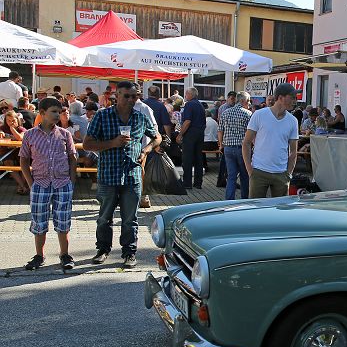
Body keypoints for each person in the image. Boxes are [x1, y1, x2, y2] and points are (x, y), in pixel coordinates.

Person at [83, 81, 160, 268]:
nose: (131, 99)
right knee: (104, 218)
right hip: (108, 175)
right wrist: (112, 143)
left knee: (130, 219)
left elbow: (157, 136)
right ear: (116, 96)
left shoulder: (140, 117)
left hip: (132, 174)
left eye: (134, 96)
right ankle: (103, 249)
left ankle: (129, 252)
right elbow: (87, 144)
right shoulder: (102, 116)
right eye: (127, 96)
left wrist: (147, 149)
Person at [18, 97, 78, 271]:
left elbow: (72, 159)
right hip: (40, 184)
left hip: (62, 184)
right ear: (42, 113)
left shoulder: (65, 134)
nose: (57, 115)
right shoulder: (30, 135)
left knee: (63, 222)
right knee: (39, 222)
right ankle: (39, 255)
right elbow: (23, 160)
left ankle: (64, 254)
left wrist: (71, 182)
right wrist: (31, 184)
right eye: (53, 111)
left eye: (59, 112)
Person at [243, 82, 300, 198]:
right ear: (280, 98)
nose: (295, 101)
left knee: (280, 212)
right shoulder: (259, 115)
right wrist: (250, 170)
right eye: (292, 98)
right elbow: (246, 143)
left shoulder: (293, 121)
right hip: (259, 171)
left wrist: (288, 174)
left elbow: (294, 152)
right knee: (256, 211)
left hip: (281, 174)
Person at [218, 91, 252, 200]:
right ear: (243, 101)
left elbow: (220, 131)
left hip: (228, 148)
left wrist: (221, 144)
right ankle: (244, 199)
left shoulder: (225, 113)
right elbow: (251, 132)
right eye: (248, 101)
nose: (249, 103)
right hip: (242, 149)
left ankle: (229, 200)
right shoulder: (248, 114)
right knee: (244, 176)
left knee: (231, 176)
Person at [176, 87, 206, 189]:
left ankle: (187, 183)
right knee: (198, 158)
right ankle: (198, 183)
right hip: (200, 133)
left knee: (187, 159)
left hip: (190, 134)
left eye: (186, 94)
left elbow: (187, 121)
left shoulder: (189, 104)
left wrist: (180, 134)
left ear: (191, 95)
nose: (185, 96)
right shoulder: (200, 105)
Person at [1, 109, 30, 195]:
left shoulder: (22, 129)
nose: (11, 122)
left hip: (19, 151)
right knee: (8, 163)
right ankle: (22, 186)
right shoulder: (2, 128)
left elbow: (20, 138)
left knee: (24, 163)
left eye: (13, 120)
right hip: (6, 151)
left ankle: (21, 186)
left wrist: (12, 129)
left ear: (17, 120)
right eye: (8, 121)